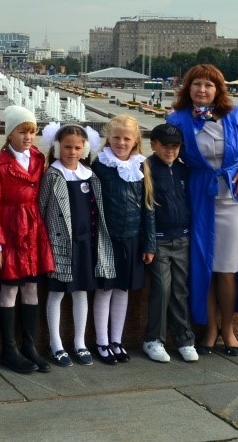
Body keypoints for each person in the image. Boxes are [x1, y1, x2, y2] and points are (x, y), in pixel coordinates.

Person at [167, 64, 238, 355]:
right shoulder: (177, 119)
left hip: (233, 199)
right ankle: (209, 329)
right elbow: (168, 154)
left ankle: (229, 330)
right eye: (197, 84)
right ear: (188, 88)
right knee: (203, 266)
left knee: (228, 268)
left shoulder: (237, 115)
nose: (202, 90)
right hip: (199, 198)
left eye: (209, 85)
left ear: (218, 89)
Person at [38, 123, 114, 368]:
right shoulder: (52, 174)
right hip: (60, 244)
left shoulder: (90, 175)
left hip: (85, 244)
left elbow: (98, 210)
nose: (72, 151)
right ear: (58, 147)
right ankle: (56, 343)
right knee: (57, 293)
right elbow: (41, 209)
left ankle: (80, 342)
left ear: (85, 149)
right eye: (67, 147)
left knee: (82, 291)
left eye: (77, 147)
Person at [0, 105, 53, 374]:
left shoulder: (37, 158)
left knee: (31, 288)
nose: (28, 137)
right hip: (10, 228)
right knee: (9, 287)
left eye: (32, 131)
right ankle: (8, 349)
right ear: (9, 133)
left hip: (33, 228)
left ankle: (30, 346)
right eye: (22, 131)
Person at [90, 114, 156, 365]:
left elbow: (148, 208)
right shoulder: (101, 165)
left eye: (126, 138)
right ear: (109, 138)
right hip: (106, 239)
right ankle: (102, 341)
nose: (121, 142)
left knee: (122, 290)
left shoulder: (141, 166)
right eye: (116, 137)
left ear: (135, 140)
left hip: (132, 239)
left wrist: (149, 243)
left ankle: (117, 340)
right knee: (104, 289)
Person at [142, 123, 198, 363]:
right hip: (160, 241)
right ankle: (153, 339)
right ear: (153, 144)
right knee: (162, 290)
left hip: (182, 238)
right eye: (165, 145)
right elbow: (147, 208)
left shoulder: (184, 170)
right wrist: (149, 243)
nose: (170, 151)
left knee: (179, 290)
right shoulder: (146, 168)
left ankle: (184, 339)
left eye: (175, 146)